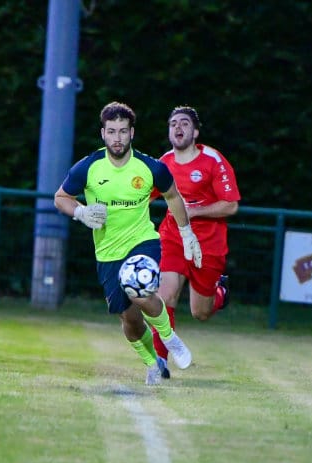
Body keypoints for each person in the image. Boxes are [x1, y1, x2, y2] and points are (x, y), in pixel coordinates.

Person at [54, 101, 203, 385]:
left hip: (142, 241)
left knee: (138, 287)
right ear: (103, 133)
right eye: (111, 131)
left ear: (132, 133)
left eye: (123, 131)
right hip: (107, 253)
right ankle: (152, 363)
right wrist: (81, 213)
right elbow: (60, 198)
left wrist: (187, 234)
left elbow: (173, 196)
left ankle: (170, 339)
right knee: (130, 321)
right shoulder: (88, 167)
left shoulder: (150, 167)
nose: (117, 138)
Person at [151, 105, 241, 379]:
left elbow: (231, 205)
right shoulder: (163, 163)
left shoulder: (213, 160)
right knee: (164, 295)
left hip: (208, 244)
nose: (178, 128)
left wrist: (195, 211)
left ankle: (220, 293)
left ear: (196, 132)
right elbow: (143, 195)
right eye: (173, 124)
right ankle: (159, 361)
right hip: (173, 237)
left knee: (200, 312)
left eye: (184, 123)